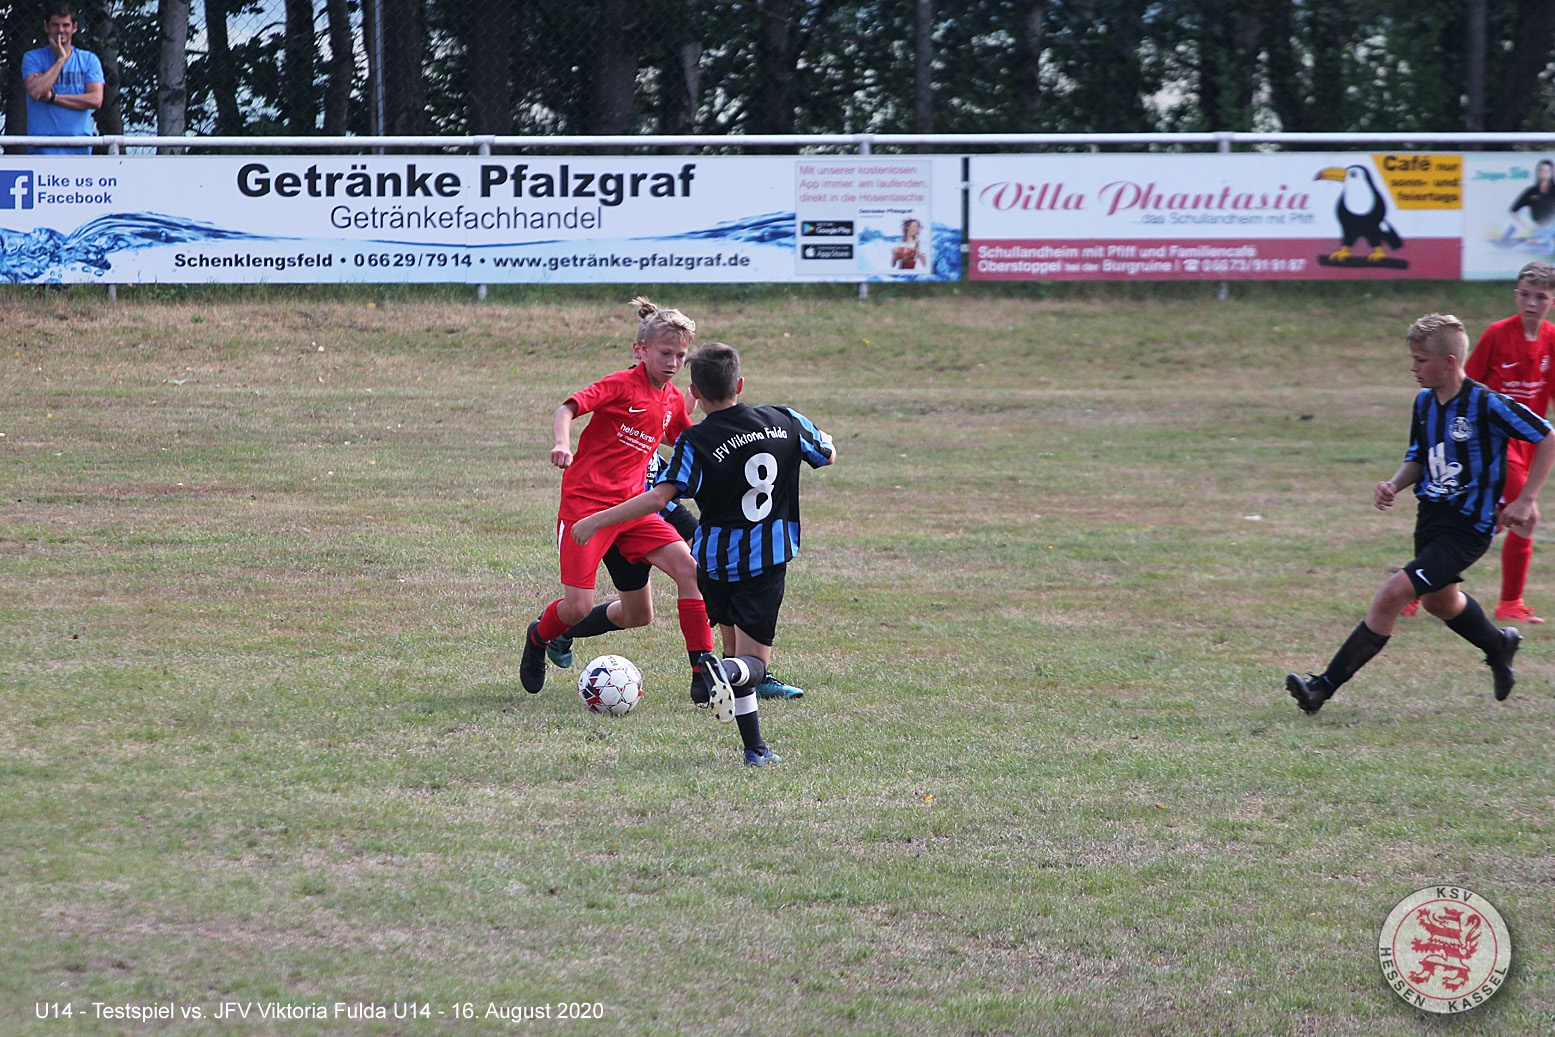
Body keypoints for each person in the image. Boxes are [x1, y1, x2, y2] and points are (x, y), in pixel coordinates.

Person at [572, 342, 837, 765]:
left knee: (737, 652)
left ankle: (754, 748)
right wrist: (821, 442)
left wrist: (596, 520)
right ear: (740, 384)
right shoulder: (785, 419)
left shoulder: (696, 440)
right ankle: (722, 672)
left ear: (694, 392)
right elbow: (827, 454)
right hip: (763, 562)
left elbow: (659, 497)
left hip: (712, 565)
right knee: (751, 664)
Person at [1286, 313, 1555, 714]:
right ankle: (1499, 645)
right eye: (1412, 359)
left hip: (1468, 527)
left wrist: (1526, 499)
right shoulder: (1426, 401)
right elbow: (1419, 455)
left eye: (1420, 360)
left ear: (1449, 361)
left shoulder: (1487, 404)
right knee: (1440, 603)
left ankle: (1321, 688)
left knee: (1392, 594)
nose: (1412, 368)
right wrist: (1394, 484)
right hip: (1431, 518)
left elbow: (1547, 436)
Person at [518, 298, 721, 714]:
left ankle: (701, 673)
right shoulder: (620, 385)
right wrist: (562, 443)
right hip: (586, 510)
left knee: (683, 576)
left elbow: (686, 441)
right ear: (640, 350)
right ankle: (539, 637)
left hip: (633, 511)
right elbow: (567, 408)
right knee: (576, 607)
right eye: (665, 353)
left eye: (680, 356)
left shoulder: (671, 400)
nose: (673, 363)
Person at [547, 447, 810, 701]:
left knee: (708, 568)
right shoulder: (615, 430)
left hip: (662, 505)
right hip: (623, 515)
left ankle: (738, 672)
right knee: (638, 613)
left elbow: (684, 435)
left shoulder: (673, 423)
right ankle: (559, 627)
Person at [1460, 261, 1555, 622]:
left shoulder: (1552, 338)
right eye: (1525, 295)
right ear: (1516, 295)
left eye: (1540, 297)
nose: (1531, 302)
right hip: (1495, 440)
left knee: (1486, 521)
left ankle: (1415, 588)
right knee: (1525, 515)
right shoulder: (1497, 334)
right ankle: (1510, 604)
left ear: (1553, 301)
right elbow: (1467, 384)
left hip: (1529, 443)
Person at [21, 3, 104, 156]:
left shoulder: (89, 60)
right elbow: (36, 91)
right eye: (55, 25)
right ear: (46, 27)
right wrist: (60, 60)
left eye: (66, 25)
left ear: (74, 27)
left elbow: (96, 99)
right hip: (42, 148)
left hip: (79, 148)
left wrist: (54, 97)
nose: (60, 30)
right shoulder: (33, 58)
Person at [1510, 160, 1555, 232]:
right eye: (1541, 171)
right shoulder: (1531, 192)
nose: (1543, 174)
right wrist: (1528, 225)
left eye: (1546, 171)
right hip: (1539, 231)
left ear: (1551, 173)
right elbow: (1513, 211)